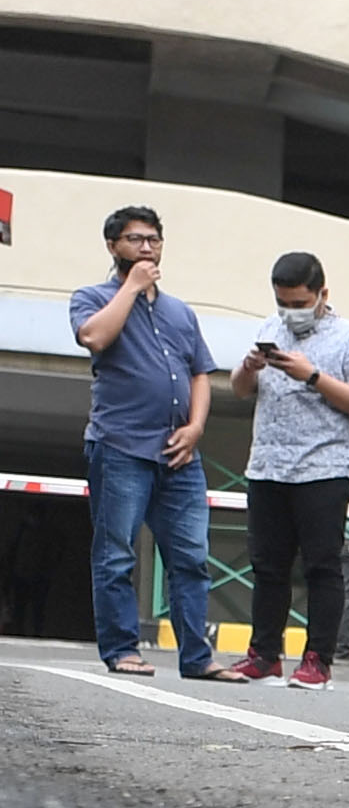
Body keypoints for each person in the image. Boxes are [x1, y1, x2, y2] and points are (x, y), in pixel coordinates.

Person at [69, 207, 224, 680]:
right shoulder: (92, 297)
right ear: (112, 246)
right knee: (117, 554)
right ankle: (122, 649)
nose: (146, 248)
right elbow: (94, 337)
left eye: (153, 240)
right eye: (135, 239)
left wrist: (196, 427)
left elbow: (200, 372)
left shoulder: (180, 312)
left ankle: (197, 657)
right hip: (121, 447)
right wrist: (132, 288)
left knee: (191, 558)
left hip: (179, 453)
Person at [228, 251, 349, 687]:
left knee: (322, 565)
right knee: (267, 565)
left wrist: (312, 376)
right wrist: (248, 367)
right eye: (283, 303)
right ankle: (264, 655)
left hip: (325, 467)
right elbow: (240, 390)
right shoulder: (269, 328)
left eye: (299, 303)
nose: (290, 312)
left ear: (322, 295)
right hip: (268, 465)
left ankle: (318, 659)